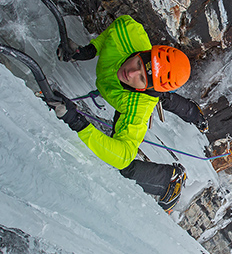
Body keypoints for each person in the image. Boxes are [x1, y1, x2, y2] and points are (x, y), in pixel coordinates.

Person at [49, 15, 207, 212]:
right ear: (143, 52)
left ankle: (167, 177)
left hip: (131, 99)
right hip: (134, 91)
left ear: (144, 89)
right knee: (159, 95)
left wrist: (77, 122)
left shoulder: (137, 109)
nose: (130, 73)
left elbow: (123, 155)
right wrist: (91, 50)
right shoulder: (129, 33)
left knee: (123, 165)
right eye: (139, 64)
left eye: (141, 77)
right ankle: (185, 106)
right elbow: (118, 25)